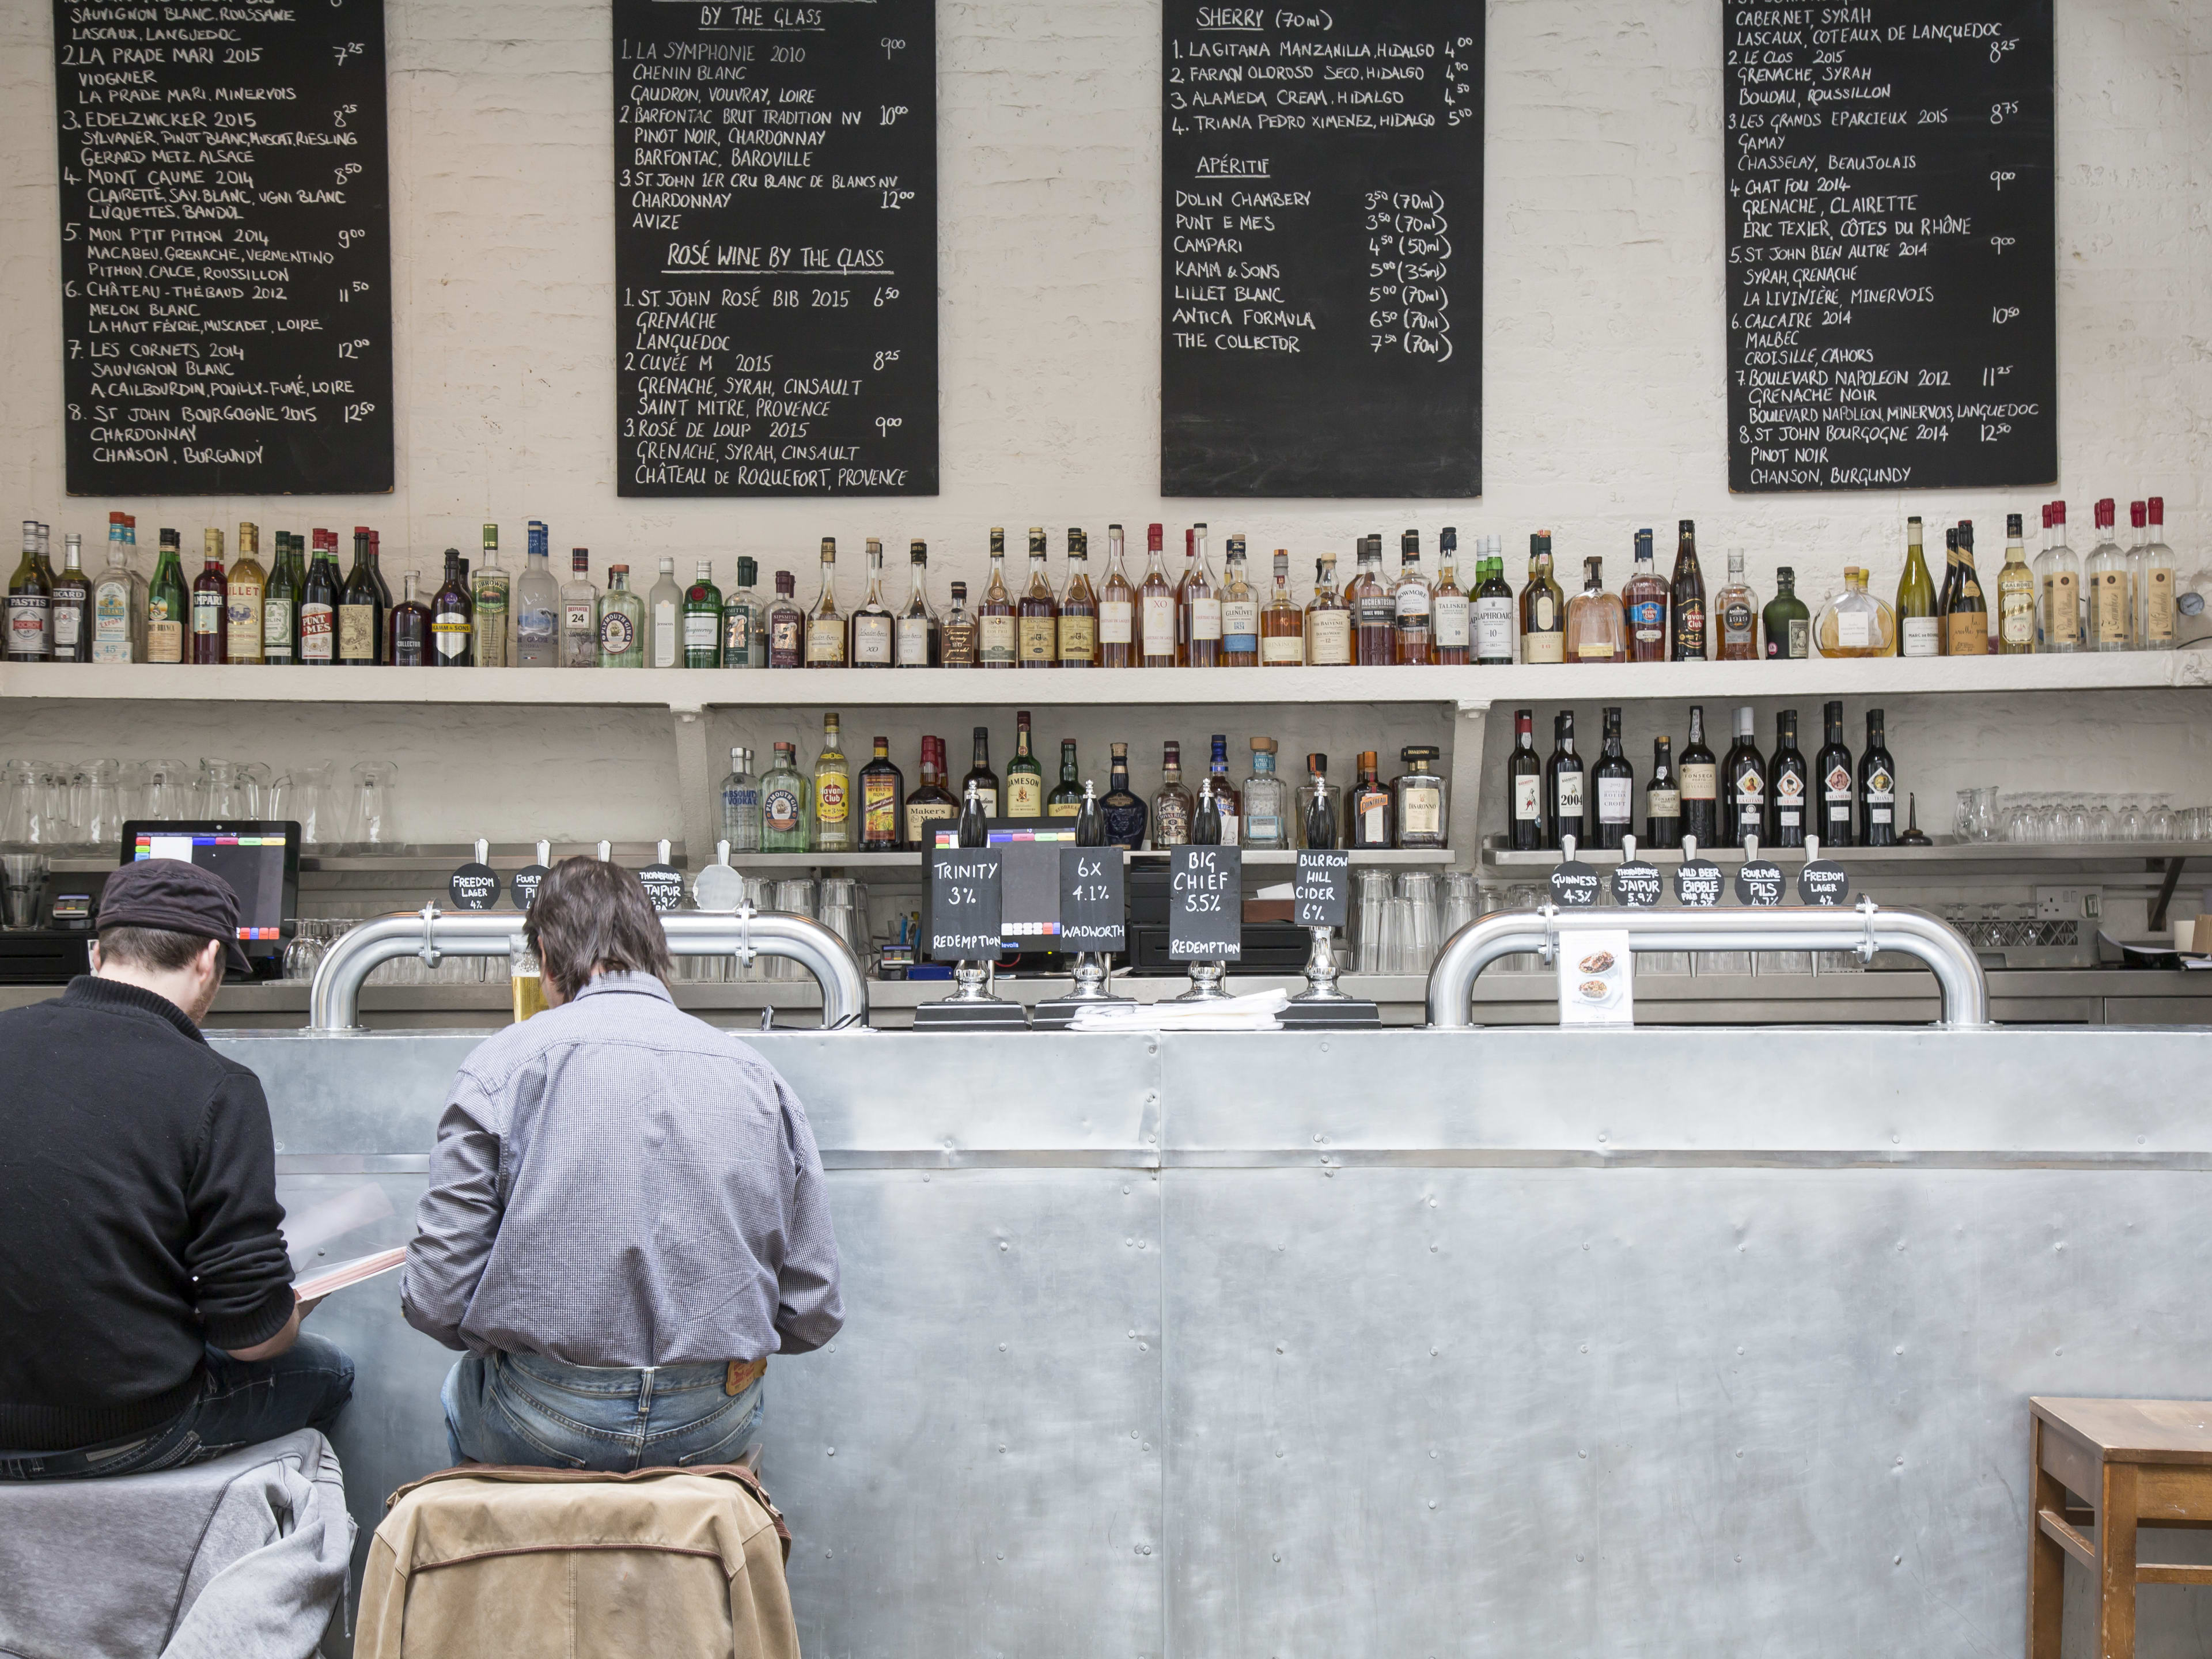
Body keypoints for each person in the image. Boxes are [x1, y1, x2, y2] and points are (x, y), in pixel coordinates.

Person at [402, 856, 842, 1470]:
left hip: (541, 1416)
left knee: (462, 1390)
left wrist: (522, 1346)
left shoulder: (499, 1067)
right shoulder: (756, 1077)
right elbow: (813, 1306)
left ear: (549, 961)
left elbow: (434, 1296)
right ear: (655, 954)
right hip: (712, 1418)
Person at [0, 859, 353, 1481]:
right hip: (122, 1427)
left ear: (95, 952)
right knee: (326, 1372)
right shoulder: (218, 1087)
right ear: (208, 959)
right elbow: (250, 1334)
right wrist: (289, 1309)